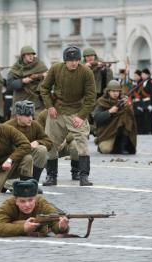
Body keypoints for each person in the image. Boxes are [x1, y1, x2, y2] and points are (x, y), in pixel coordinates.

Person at [39, 46, 96, 186]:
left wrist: (82, 116)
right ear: (65, 61)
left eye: (76, 60)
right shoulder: (56, 69)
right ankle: (51, 176)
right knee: (51, 143)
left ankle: (84, 176)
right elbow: (44, 88)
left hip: (77, 111)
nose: (74, 63)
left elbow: (90, 97)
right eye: (71, 60)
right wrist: (49, 106)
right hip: (57, 111)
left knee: (82, 143)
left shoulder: (86, 72)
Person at [0, 179, 69, 237]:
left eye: (31, 200)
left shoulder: (41, 203)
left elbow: (57, 226)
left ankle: (41, 225)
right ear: (16, 200)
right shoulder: (9, 205)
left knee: (55, 214)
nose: (27, 205)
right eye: (22, 201)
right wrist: (23, 228)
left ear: (36, 198)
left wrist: (62, 227)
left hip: (37, 215)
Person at [4, 100, 52, 184]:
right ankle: (8, 182)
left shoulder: (35, 125)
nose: (30, 118)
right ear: (18, 116)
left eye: (31, 115)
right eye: (27, 115)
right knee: (27, 158)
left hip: (26, 157)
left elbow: (48, 141)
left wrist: (38, 142)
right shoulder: (7, 127)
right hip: (10, 161)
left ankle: (33, 183)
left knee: (42, 150)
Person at [93, 80, 137, 154]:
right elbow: (97, 117)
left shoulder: (123, 101)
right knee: (106, 150)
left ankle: (122, 145)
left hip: (120, 131)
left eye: (117, 91)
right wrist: (109, 112)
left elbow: (132, 116)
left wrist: (128, 106)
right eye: (113, 91)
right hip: (107, 131)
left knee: (125, 117)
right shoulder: (102, 102)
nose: (115, 93)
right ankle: (105, 145)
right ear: (108, 92)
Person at [37, 109, 80, 181]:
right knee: (41, 150)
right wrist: (50, 142)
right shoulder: (43, 115)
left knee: (75, 145)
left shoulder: (69, 112)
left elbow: (75, 131)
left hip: (65, 144)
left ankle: (76, 172)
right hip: (50, 145)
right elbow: (39, 133)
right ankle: (51, 174)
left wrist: (65, 140)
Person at [7, 46, 48, 115]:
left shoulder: (40, 65)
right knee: (18, 121)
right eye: (28, 55)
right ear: (23, 56)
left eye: (32, 54)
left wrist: (44, 76)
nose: (31, 56)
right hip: (21, 99)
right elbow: (10, 84)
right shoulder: (16, 67)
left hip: (36, 99)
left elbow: (48, 80)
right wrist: (22, 81)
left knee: (38, 121)